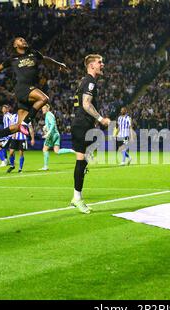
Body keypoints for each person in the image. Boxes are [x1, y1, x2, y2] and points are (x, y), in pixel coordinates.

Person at [0, 37, 69, 140]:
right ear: (15, 45)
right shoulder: (12, 59)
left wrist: (59, 64)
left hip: (28, 91)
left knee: (18, 127)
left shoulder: (33, 53)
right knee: (44, 99)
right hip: (23, 88)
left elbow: (45, 59)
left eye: (24, 39)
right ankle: (25, 123)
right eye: (20, 40)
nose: (23, 41)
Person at [70, 54, 110, 213]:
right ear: (91, 65)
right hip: (82, 125)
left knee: (85, 159)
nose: (103, 64)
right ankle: (77, 198)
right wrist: (101, 119)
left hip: (83, 124)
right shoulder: (90, 81)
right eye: (100, 62)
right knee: (81, 161)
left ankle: (77, 197)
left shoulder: (85, 81)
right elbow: (86, 104)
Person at [39, 104, 75, 171]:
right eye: (42, 108)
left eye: (44, 108)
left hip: (52, 135)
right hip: (56, 134)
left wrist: (48, 133)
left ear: (47, 108)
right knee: (57, 151)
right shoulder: (50, 114)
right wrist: (45, 126)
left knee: (45, 149)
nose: (42, 109)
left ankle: (45, 166)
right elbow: (51, 124)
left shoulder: (48, 115)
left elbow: (52, 124)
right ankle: (71, 150)